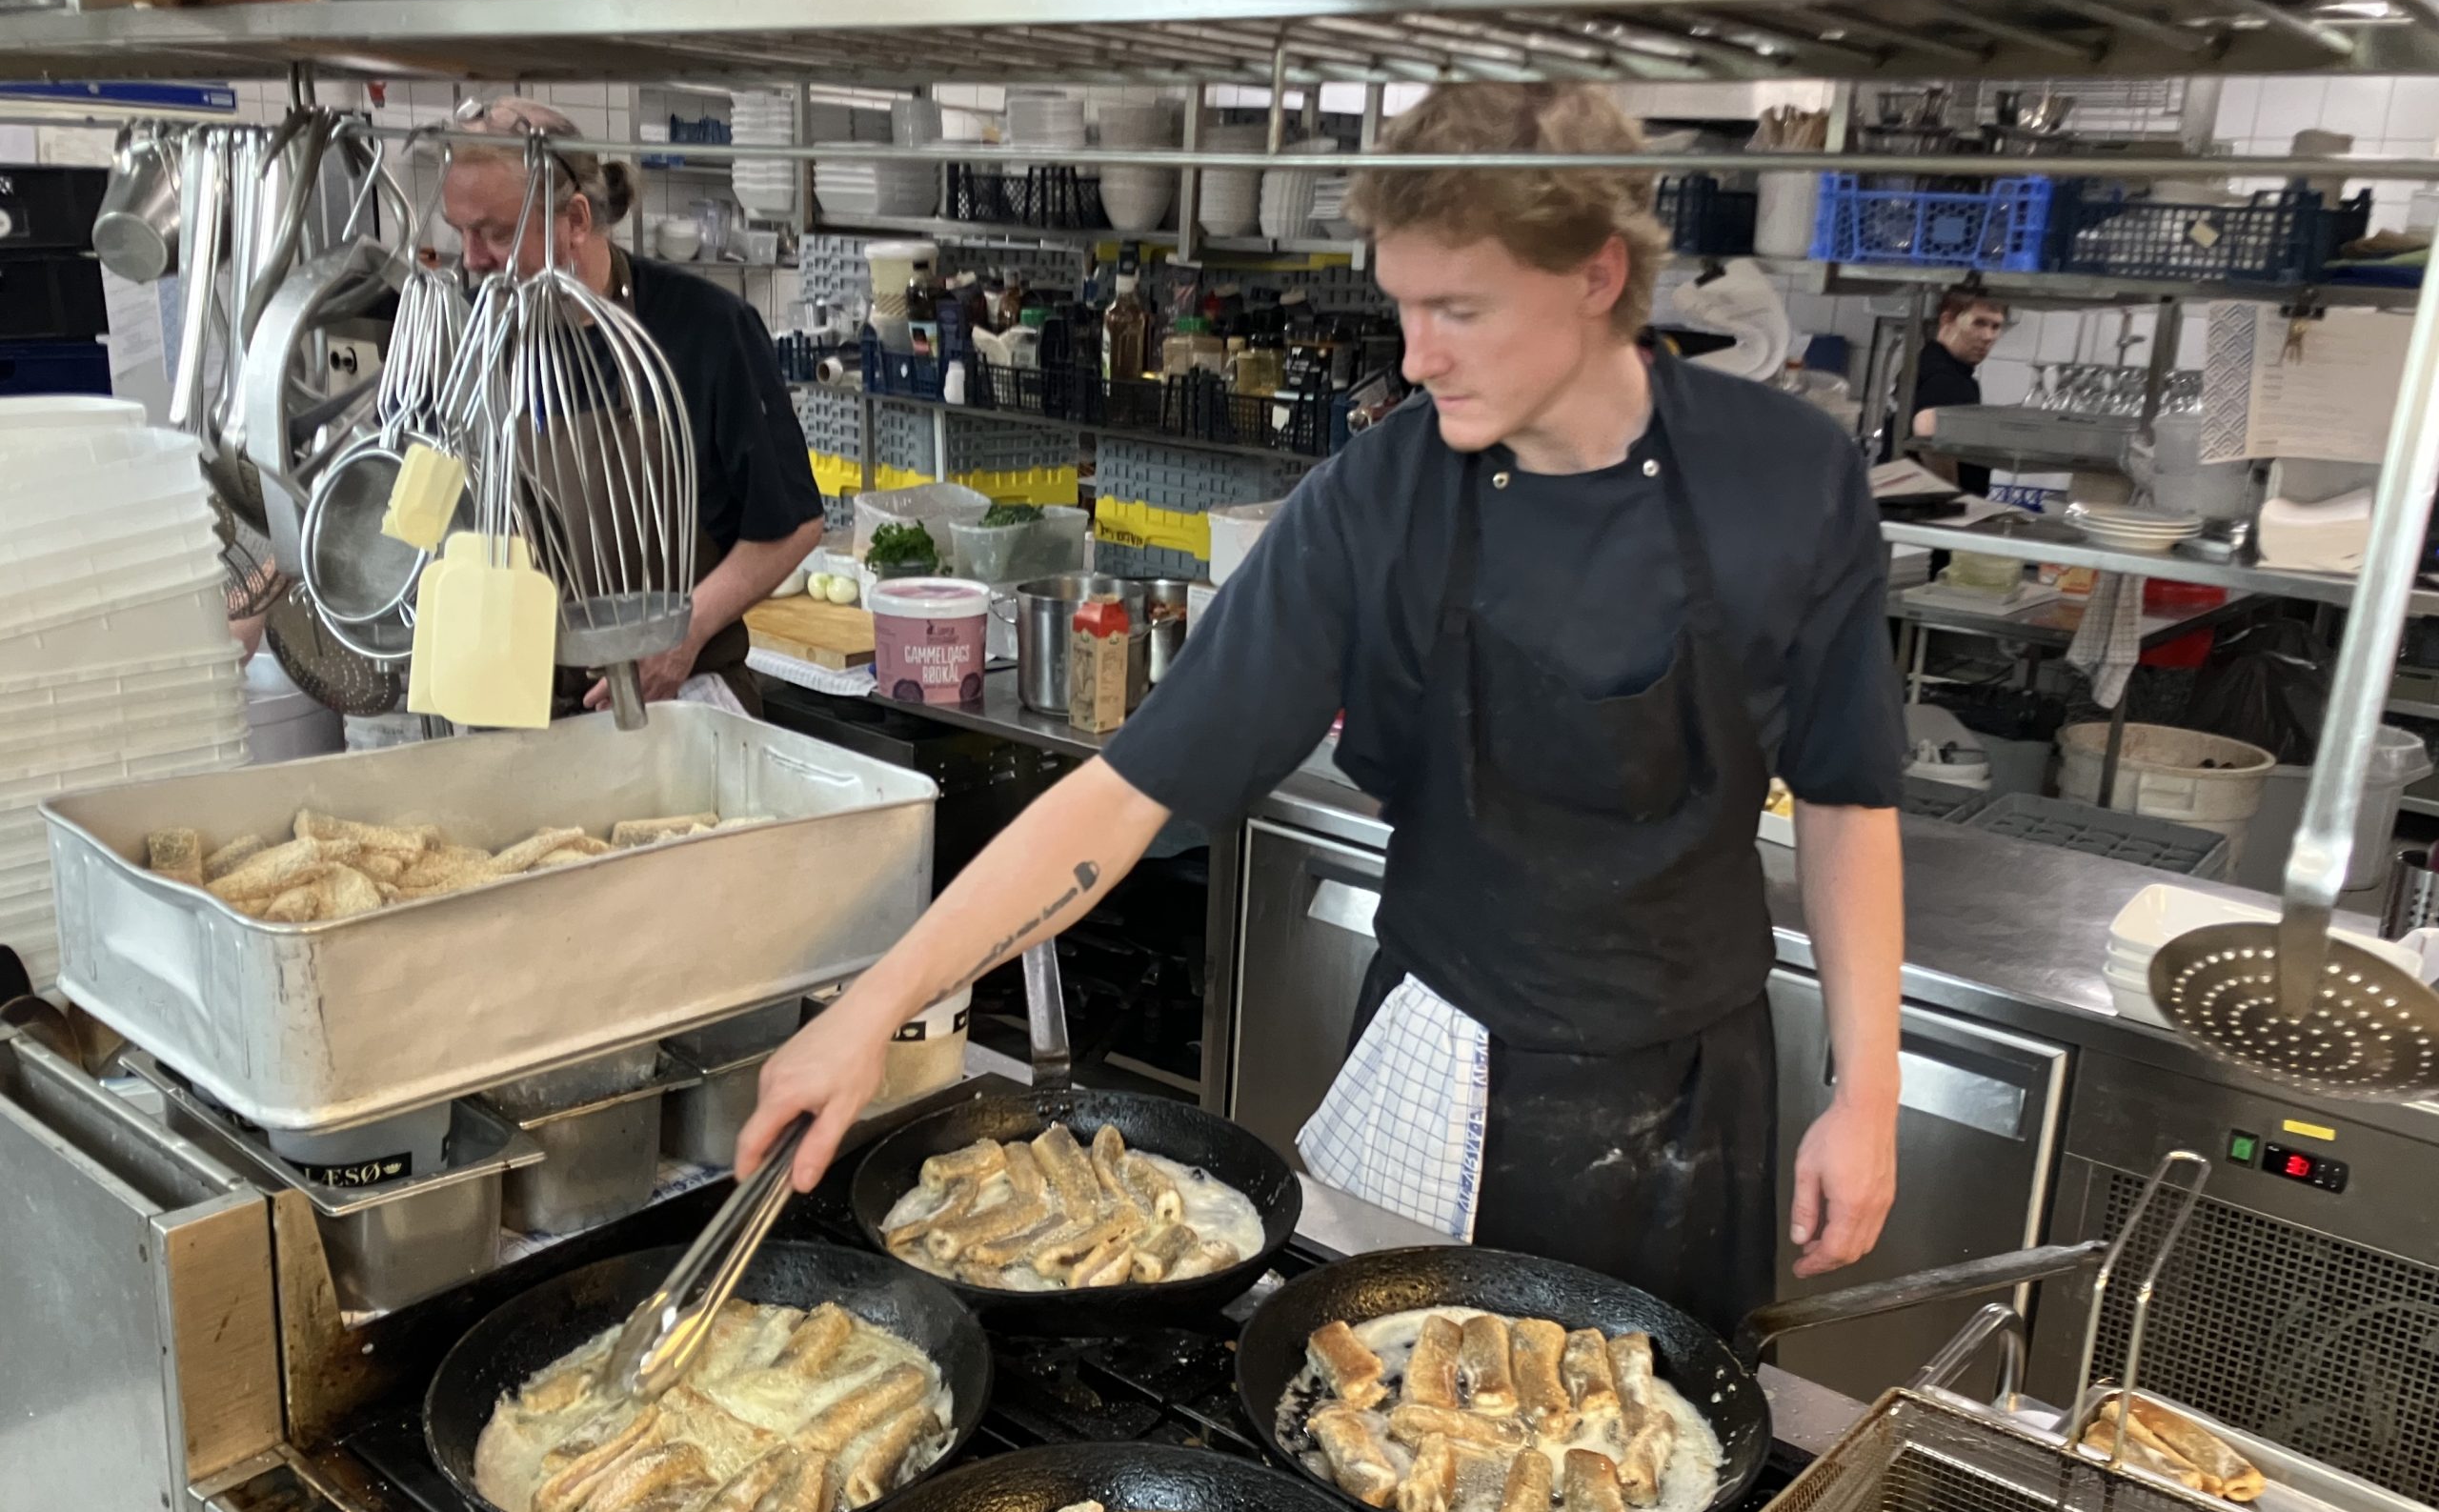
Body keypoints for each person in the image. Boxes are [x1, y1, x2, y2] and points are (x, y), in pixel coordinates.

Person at [737, 82, 1907, 1336]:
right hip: (1448, 1061)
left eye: (1459, 310)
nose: (1417, 356)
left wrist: (1869, 1093)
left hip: (1697, 1096)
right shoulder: (1383, 497)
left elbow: (1846, 797)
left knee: (1656, 1420)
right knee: (1399, 1408)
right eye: (1404, 306)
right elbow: (1127, 793)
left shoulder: (1788, 480)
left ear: (1596, 275)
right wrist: (875, 1009)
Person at [440, 97, 826, 716]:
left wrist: (682, 634)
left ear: (575, 219)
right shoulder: (478, 338)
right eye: (460, 231)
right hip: (529, 706)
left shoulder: (704, 328)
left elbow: (792, 526)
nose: (471, 259)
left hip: (677, 696)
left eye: (496, 233)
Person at [1903, 285, 2007, 491]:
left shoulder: (1923, 362)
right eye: (1979, 323)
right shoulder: (1948, 378)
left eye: (1995, 327)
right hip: (1926, 504)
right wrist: (1950, 496)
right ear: (1947, 320)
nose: (1988, 336)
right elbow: (1928, 426)